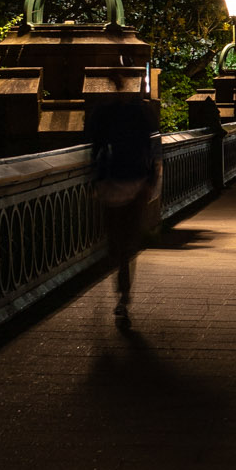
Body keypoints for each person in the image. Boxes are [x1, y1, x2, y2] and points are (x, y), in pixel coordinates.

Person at [87, 99, 160, 328]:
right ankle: (123, 293)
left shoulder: (106, 114)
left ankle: (122, 290)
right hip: (134, 184)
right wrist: (150, 181)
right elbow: (153, 151)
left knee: (117, 242)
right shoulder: (140, 113)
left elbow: (95, 151)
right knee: (127, 243)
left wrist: (95, 181)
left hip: (114, 185)